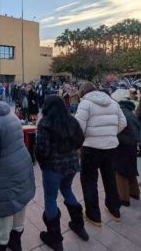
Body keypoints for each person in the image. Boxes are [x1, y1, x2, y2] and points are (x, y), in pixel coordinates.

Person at [36, 96, 88, 251]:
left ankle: (55, 239)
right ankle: (79, 226)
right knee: (67, 190)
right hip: (71, 165)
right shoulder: (71, 120)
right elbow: (80, 140)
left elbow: (41, 149)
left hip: (53, 168)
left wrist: (43, 163)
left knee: (50, 199)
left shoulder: (45, 123)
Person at [0, 101, 36, 251]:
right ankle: (16, 242)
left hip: (6, 171)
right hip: (22, 163)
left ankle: (0, 245)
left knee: (4, 210)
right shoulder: (11, 115)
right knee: (19, 203)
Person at [75, 82, 127, 226]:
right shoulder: (113, 102)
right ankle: (114, 209)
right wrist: (110, 133)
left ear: (83, 92)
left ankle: (93, 215)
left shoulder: (85, 103)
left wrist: (86, 138)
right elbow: (123, 122)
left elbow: (78, 127)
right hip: (110, 147)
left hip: (91, 148)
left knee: (89, 180)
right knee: (110, 178)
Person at [111, 89, 141, 206]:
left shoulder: (120, 110)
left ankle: (123, 197)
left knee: (120, 170)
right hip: (131, 143)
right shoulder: (129, 110)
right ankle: (134, 192)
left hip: (122, 143)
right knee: (131, 169)